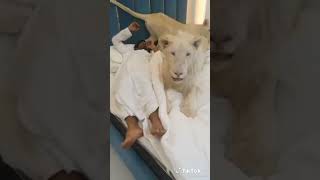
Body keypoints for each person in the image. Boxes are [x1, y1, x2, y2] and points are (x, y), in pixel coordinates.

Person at [111, 22, 166, 149]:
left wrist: (155, 48)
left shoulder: (151, 55)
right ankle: (133, 128)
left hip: (142, 70)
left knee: (145, 89)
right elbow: (115, 40)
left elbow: (162, 58)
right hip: (125, 73)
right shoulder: (129, 49)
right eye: (144, 41)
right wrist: (129, 30)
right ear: (137, 44)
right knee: (119, 93)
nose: (146, 43)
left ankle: (156, 123)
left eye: (149, 43)